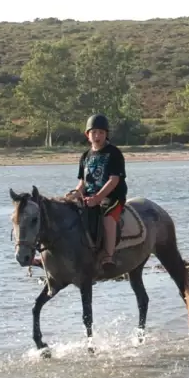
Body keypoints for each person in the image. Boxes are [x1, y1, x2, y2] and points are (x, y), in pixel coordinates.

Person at [72, 114, 127, 270]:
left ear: (106, 134)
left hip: (112, 197)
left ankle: (108, 256)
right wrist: (75, 193)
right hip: (89, 196)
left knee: (108, 218)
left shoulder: (114, 153)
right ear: (87, 135)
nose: (97, 136)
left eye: (101, 133)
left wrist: (97, 198)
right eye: (94, 132)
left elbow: (114, 180)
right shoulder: (85, 156)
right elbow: (82, 182)